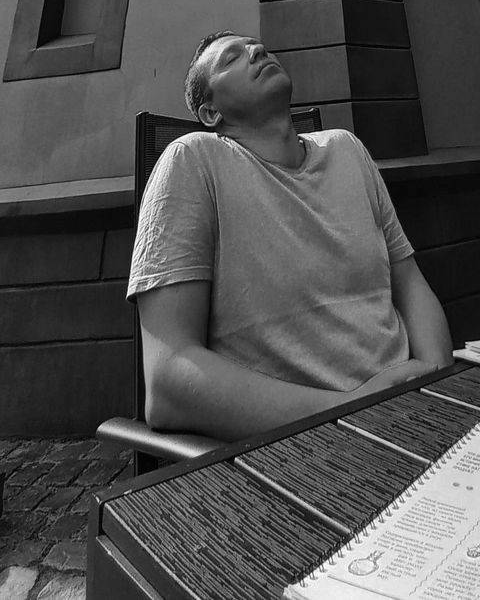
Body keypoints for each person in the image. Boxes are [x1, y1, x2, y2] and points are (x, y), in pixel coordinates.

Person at [128, 30, 454, 440]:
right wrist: (353, 411)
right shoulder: (193, 161)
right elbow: (168, 382)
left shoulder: (347, 150)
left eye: (256, 46)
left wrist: (438, 379)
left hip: (417, 410)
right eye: (231, 58)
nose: (256, 50)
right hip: (309, 439)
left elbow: (409, 281)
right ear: (210, 113)